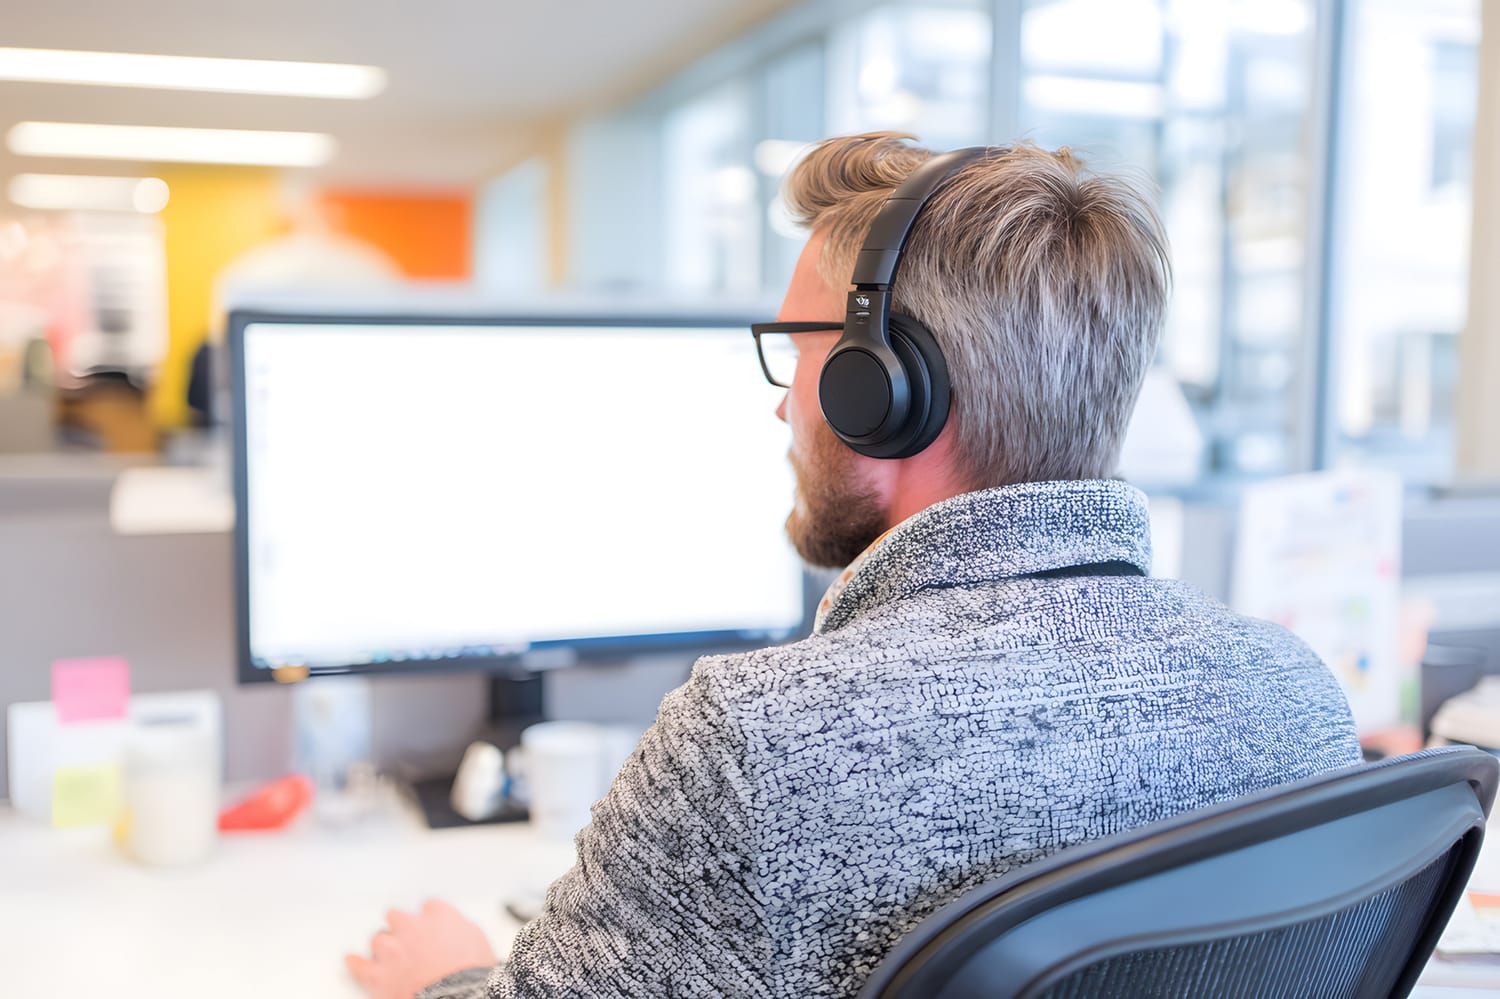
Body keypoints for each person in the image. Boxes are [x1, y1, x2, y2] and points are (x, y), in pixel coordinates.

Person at [345, 133, 1361, 999]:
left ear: (885, 390)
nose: (785, 402)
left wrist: (447, 978)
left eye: (796, 350)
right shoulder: (1295, 695)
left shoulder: (756, 739)